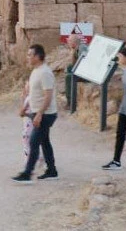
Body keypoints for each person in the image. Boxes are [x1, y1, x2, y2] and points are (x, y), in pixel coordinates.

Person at [12, 44, 58, 183]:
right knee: (45, 142)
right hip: (36, 112)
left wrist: (39, 114)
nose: (28, 57)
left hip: (45, 114)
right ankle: (52, 170)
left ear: (37, 56)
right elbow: (34, 94)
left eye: (29, 55)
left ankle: (27, 173)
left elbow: (48, 96)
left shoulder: (45, 73)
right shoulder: (36, 71)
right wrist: (26, 109)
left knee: (33, 142)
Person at [64, 33, 89, 105]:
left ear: (73, 42)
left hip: (88, 73)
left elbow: (83, 64)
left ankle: (71, 102)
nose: (68, 42)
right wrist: (72, 52)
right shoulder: (77, 48)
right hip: (82, 71)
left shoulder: (82, 48)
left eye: (69, 41)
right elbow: (73, 64)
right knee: (69, 68)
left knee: (69, 77)